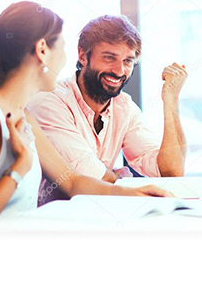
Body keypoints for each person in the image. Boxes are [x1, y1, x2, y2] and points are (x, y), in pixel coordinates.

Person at [0, 3, 171, 223]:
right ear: (43, 50)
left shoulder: (23, 117)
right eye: (63, 48)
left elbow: (72, 181)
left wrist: (131, 193)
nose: (65, 60)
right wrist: (18, 169)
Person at [28, 14, 187, 199]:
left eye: (127, 61)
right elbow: (88, 177)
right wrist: (119, 179)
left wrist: (171, 99)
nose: (119, 71)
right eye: (109, 58)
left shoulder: (124, 107)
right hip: (54, 220)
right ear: (82, 55)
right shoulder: (51, 100)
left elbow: (170, 171)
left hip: (102, 216)